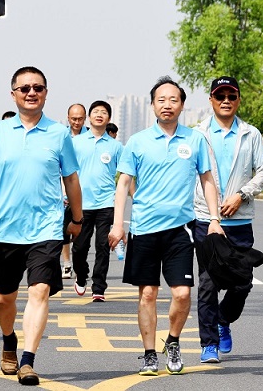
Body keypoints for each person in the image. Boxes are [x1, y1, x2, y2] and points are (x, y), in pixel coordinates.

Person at [0, 66, 83, 386]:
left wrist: (78, 219)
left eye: (37, 88)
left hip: (46, 229)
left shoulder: (58, 134)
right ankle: (8, 340)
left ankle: (28, 359)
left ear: (45, 93)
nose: (31, 93)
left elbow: (70, 178)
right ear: (13, 94)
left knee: (40, 292)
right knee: (5, 299)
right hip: (5, 230)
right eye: (24, 88)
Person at [108, 76, 223, 376]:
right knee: (147, 294)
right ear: (152, 105)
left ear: (182, 105)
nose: (167, 105)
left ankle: (172, 341)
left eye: (173, 100)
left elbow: (207, 180)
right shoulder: (138, 141)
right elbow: (123, 185)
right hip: (144, 229)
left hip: (180, 231)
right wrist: (118, 224)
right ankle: (149, 353)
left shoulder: (195, 139)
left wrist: (214, 219)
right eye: (161, 100)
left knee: (182, 294)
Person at [192, 76, 263, 363]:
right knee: (208, 283)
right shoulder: (197, 135)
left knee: (242, 283)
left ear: (238, 100)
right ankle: (208, 344)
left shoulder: (251, 134)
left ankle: (223, 321)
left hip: (239, 222)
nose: (226, 100)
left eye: (231, 95)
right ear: (211, 100)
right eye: (220, 95)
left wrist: (242, 194)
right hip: (205, 220)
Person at [71, 100, 123, 302]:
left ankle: (99, 287)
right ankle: (81, 275)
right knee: (80, 247)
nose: (99, 114)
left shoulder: (116, 146)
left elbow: (126, 175)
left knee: (103, 246)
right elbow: (67, 172)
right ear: (89, 117)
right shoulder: (76, 142)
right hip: (81, 203)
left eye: (104, 112)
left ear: (108, 118)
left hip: (105, 203)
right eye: (96, 111)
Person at [61, 103, 88, 279]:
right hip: (64, 189)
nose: (76, 122)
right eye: (73, 119)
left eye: (80, 119)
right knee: (64, 230)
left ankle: (79, 262)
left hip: (84, 191)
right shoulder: (62, 136)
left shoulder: (89, 137)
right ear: (68, 118)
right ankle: (67, 263)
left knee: (80, 231)